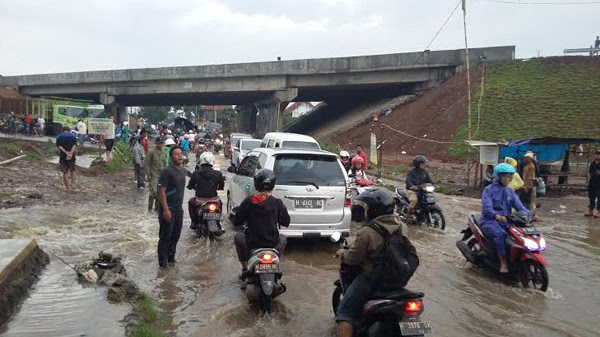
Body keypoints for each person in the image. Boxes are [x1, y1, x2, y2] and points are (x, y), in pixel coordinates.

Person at [334, 189, 408, 337]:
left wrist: (343, 253)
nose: (364, 210)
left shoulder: (367, 231)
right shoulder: (402, 226)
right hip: (398, 278)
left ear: (374, 209)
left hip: (372, 279)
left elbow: (353, 259)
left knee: (344, 313)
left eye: (366, 207)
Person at [233, 169, 290, 277]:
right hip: (272, 244)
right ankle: (276, 262)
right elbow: (286, 221)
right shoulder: (277, 203)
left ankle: (245, 269)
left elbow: (237, 221)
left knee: (238, 237)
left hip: (253, 244)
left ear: (256, 184)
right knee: (283, 238)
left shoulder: (248, 202)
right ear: (273, 184)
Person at [480, 163, 532, 274]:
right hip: (489, 221)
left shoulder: (510, 191)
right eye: (504, 176)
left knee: (519, 235)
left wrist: (530, 215)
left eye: (509, 176)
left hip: (506, 221)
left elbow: (519, 207)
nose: (507, 179)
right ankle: (503, 264)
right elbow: (487, 207)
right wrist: (496, 215)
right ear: (498, 176)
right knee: (500, 235)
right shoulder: (489, 190)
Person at [157, 146, 187, 268]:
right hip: (168, 209)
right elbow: (161, 191)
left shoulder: (183, 171)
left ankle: (171, 258)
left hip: (178, 209)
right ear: (171, 157)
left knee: (175, 235)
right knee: (165, 237)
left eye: (181, 154)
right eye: (176, 154)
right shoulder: (166, 172)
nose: (180, 156)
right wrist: (165, 210)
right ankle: (163, 264)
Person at [187, 151, 225, 229]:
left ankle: (194, 222)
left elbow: (190, 185)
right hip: (214, 200)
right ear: (212, 161)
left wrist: (192, 187)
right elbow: (221, 186)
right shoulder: (218, 174)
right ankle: (218, 221)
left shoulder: (196, 173)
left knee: (191, 202)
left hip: (199, 200)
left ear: (201, 160)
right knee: (220, 203)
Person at [405, 155, 433, 223]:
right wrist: (412, 186)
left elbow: (430, 181)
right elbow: (408, 181)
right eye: (422, 163)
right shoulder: (411, 172)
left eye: (424, 163)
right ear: (417, 164)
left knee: (429, 199)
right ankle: (408, 215)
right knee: (414, 200)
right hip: (412, 190)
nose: (424, 165)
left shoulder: (425, 172)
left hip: (422, 190)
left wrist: (434, 185)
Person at [145, 137, 166, 212]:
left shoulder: (164, 152)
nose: (161, 145)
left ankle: (157, 209)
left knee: (160, 193)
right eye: (159, 143)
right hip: (153, 174)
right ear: (156, 143)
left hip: (161, 174)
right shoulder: (151, 152)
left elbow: (165, 164)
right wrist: (148, 174)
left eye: (162, 143)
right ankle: (149, 208)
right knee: (153, 192)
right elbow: (146, 163)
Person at [56, 126, 77, 192]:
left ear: (63, 130)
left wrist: (65, 152)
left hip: (63, 156)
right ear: (69, 130)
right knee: (72, 170)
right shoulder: (73, 136)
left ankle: (68, 188)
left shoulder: (59, 136)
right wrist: (70, 153)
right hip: (71, 155)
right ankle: (73, 185)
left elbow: (59, 146)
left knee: (65, 172)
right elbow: (74, 145)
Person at [586, 150, 600, 217]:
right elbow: (590, 173)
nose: (597, 156)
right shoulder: (592, 163)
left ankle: (599, 212)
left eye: (599, 154)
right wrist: (588, 181)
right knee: (591, 197)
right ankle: (590, 211)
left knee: (599, 198)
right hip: (592, 183)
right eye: (597, 154)